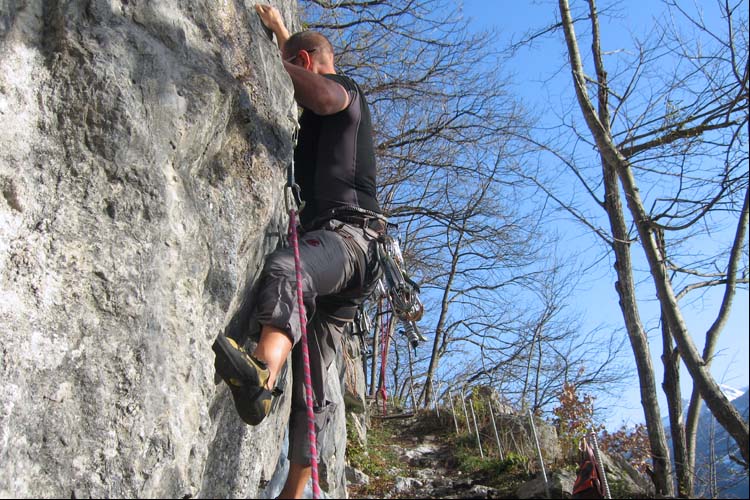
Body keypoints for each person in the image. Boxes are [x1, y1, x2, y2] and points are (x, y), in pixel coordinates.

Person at [212, 4, 385, 498]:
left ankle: (261, 378)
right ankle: (295, 490)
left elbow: (323, 92)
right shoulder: (322, 91)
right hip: (355, 262)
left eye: (296, 64)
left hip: (347, 240)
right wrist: (282, 31)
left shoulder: (346, 90)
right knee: (313, 376)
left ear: (306, 63)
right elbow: (308, 62)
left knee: (290, 266)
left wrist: (271, 61)